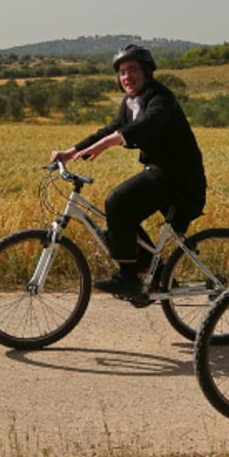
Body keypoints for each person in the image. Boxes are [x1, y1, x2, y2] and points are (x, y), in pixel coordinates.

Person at [50, 44, 207, 298]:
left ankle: (128, 278)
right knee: (118, 225)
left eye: (132, 69)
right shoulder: (130, 102)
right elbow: (111, 128)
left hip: (179, 177)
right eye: (122, 72)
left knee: (117, 201)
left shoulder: (161, 98)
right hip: (160, 173)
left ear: (147, 71)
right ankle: (155, 274)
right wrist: (71, 151)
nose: (126, 77)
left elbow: (144, 127)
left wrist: (106, 144)